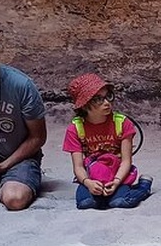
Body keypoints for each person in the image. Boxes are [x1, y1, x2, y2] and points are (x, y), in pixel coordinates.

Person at [0, 22, 46, 211]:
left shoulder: (20, 84)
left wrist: (3, 166)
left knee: (14, 199)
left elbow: (38, 137)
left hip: (15, 160)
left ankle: (10, 182)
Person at [63, 73, 152, 209]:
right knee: (85, 203)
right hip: (93, 176)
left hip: (118, 175)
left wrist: (116, 182)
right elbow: (78, 167)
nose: (107, 103)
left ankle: (143, 187)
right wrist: (88, 183)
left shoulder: (122, 123)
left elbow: (126, 161)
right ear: (85, 105)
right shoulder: (75, 129)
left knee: (120, 202)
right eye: (98, 99)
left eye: (108, 96)